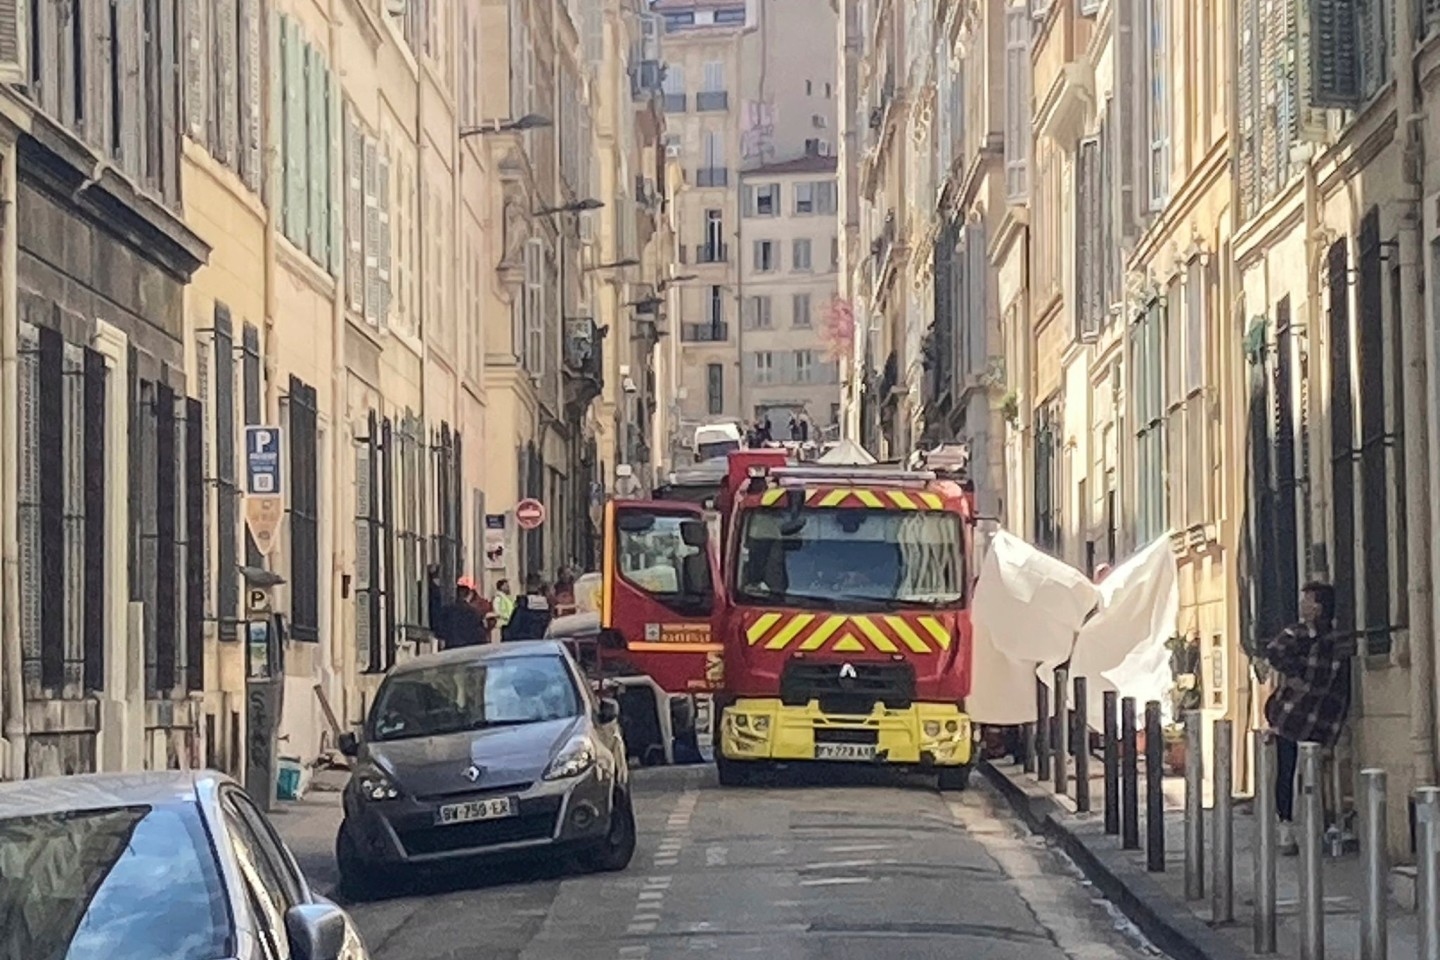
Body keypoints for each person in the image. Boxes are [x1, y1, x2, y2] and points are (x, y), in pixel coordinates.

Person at [1260, 581, 1350, 855]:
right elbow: (1341, 692)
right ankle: (1303, 827)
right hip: (1311, 718)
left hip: (1297, 715)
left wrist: (1295, 674)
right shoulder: (1335, 642)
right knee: (1306, 774)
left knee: (1289, 772)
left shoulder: (1302, 635)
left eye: (1308, 601)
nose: (1302, 606)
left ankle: (1290, 827)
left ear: (1319, 607)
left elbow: (1274, 650)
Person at [436, 577, 487, 649]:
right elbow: (480, 635)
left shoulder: (447, 611)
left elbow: (440, 630)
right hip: (469, 649)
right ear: (469, 595)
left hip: (451, 647)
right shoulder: (473, 613)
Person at [503, 572, 553, 641]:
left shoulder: (522, 607)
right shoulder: (548, 607)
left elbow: (512, 631)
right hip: (542, 644)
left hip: (523, 644)